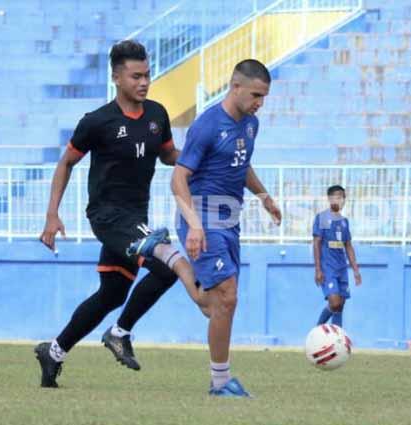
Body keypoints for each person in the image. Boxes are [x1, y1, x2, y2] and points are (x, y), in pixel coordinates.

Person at [34, 40, 203, 388]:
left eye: (147, 75)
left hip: (135, 218)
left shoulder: (157, 116)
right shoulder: (97, 122)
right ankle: (120, 332)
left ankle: (53, 352)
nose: (144, 82)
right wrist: (52, 214)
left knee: (112, 293)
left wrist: (198, 162)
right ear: (116, 77)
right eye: (136, 76)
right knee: (165, 265)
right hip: (108, 216)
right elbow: (66, 162)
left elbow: (170, 156)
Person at [130, 59, 281, 397]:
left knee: (213, 304)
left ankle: (167, 255)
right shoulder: (208, 124)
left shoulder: (251, 124)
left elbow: (240, 164)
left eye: (264, 97)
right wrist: (195, 226)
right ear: (235, 86)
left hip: (229, 221)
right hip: (201, 217)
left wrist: (263, 195)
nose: (260, 103)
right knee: (226, 298)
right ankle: (220, 382)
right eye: (256, 95)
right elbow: (178, 178)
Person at [313, 185, 362, 328]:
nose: (341, 200)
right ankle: (318, 328)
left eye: (343, 197)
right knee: (334, 302)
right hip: (328, 267)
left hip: (342, 268)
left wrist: (356, 270)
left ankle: (337, 338)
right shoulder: (322, 218)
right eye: (337, 196)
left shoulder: (344, 221)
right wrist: (318, 269)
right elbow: (316, 243)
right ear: (329, 199)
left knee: (340, 305)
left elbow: (348, 246)